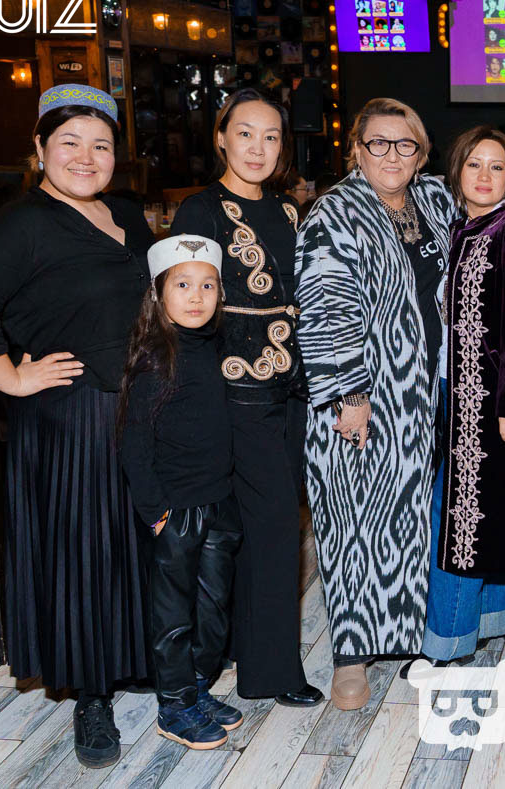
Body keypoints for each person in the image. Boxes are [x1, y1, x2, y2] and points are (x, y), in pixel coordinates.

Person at [295, 98, 505, 710]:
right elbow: (324, 304)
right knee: (351, 520)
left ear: (422, 154)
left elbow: (485, 207)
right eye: (377, 143)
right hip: (364, 396)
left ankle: (408, 632)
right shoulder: (333, 213)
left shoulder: (432, 200)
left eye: (405, 144)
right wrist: (349, 393)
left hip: (427, 395)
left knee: (408, 522)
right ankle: (351, 655)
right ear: (356, 150)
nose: (391, 155)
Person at [0, 85, 154, 767]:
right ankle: (92, 697)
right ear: (39, 149)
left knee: (132, 546)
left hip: (135, 406)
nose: (86, 157)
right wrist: (12, 378)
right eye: (69, 142)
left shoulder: (126, 214)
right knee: (85, 555)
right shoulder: (23, 223)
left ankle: (133, 658)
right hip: (71, 416)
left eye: (101, 145)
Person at [170, 88, 322, 708]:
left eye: (271, 137)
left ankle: (235, 647)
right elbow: (183, 305)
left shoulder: (288, 210)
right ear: (221, 138)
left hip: (293, 388)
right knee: (277, 525)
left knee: (259, 526)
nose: (258, 148)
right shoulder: (199, 210)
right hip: (237, 390)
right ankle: (273, 673)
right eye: (245, 133)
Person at [421, 126, 505, 666]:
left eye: (497, 167)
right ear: (456, 172)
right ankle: (497, 617)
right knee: (487, 506)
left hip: (489, 398)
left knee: (459, 513)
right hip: (453, 386)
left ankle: (448, 639)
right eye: (474, 164)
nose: (484, 176)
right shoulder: (459, 227)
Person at [118, 234, 242, 751]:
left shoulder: (215, 347)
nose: (196, 296)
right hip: (176, 509)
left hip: (219, 502)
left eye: (207, 285)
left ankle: (196, 687)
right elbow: (134, 442)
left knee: (213, 610)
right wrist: (156, 512)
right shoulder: (155, 358)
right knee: (173, 617)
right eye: (183, 285)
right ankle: (173, 705)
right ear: (158, 294)